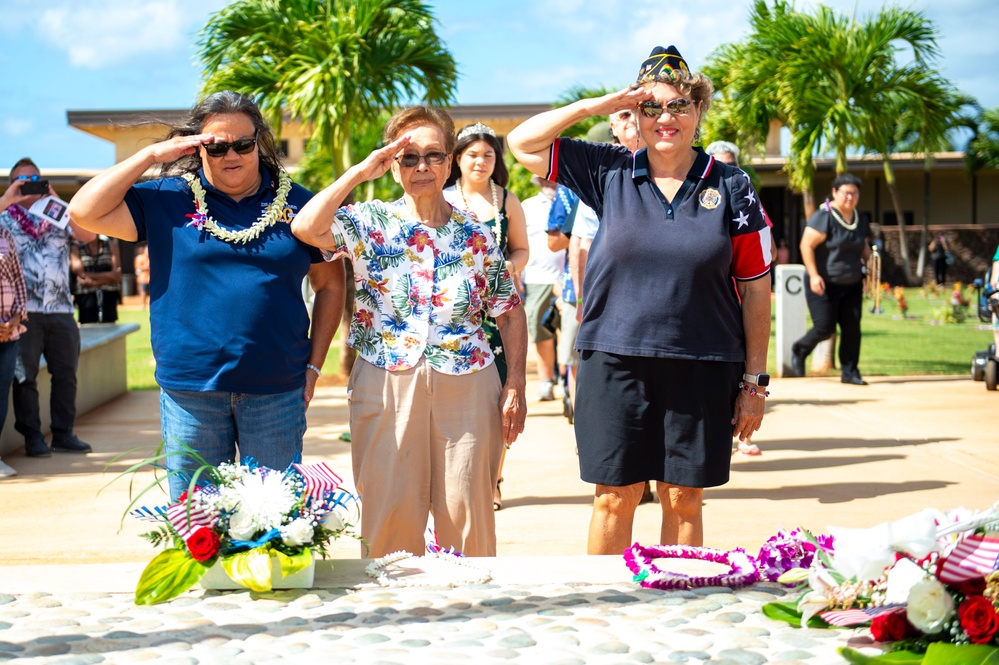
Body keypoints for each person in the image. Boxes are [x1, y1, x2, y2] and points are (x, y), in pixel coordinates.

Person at [509, 45, 772, 553]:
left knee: (682, 498)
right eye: (651, 108)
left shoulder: (732, 185)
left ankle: (678, 612)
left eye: (679, 106)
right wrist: (597, 106)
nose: (665, 118)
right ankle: (605, 612)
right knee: (614, 495)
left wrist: (754, 382)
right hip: (614, 359)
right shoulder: (608, 170)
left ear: (699, 111)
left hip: (703, 362)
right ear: (633, 115)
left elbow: (757, 287)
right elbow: (521, 142)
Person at [67, 91, 345, 499]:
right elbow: (83, 211)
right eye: (215, 146)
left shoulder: (302, 205)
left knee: (273, 525)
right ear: (198, 148)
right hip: (190, 392)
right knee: (199, 524)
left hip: (276, 390)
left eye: (243, 144)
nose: (230, 154)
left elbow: (331, 285)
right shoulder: (167, 198)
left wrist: (315, 367)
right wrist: (149, 158)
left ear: (260, 141)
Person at [290, 106, 528, 558]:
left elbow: (510, 311)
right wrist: (361, 171)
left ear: (450, 160)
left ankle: (471, 611)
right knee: (388, 513)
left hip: (470, 383)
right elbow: (306, 226)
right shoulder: (367, 222)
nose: (422, 167)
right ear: (392, 163)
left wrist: (514, 381)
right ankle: (390, 613)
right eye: (408, 157)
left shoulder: (476, 234)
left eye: (434, 155)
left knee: (468, 513)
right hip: (385, 381)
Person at [443, 122, 529, 512]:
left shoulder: (507, 201)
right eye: (472, 155)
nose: (480, 162)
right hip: (451, 314)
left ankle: (492, 479)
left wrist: (510, 267)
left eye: (488, 155)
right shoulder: (441, 198)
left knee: (498, 401)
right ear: (457, 159)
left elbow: (522, 250)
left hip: (499, 316)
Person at [0, 158, 98, 458]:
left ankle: (63, 433)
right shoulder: (4, 219)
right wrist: (7, 200)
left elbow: (88, 236)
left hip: (61, 309)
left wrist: (56, 199)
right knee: (24, 377)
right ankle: (32, 437)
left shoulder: (57, 215)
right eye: (22, 179)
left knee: (66, 374)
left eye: (34, 178)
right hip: (23, 311)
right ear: (12, 183)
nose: (29, 183)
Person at [706, 141, 763, 456]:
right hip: (712, 309)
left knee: (745, 376)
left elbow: (758, 264)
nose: (724, 170)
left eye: (730, 164)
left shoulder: (746, 200)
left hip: (738, 306)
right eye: (717, 163)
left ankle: (744, 435)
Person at [790, 173, 871, 385]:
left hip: (852, 283)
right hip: (824, 282)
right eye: (846, 193)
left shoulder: (859, 219)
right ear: (835, 192)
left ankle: (850, 371)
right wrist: (814, 275)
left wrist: (871, 266)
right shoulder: (824, 216)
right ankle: (800, 350)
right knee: (825, 327)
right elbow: (805, 245)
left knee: (852, 328)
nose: (850, 197)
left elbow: (862, 246)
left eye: (855, 193)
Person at [520, 176, 563, 404]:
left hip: (568, 280)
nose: (550, 184)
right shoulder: (527, 207)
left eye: (554, 181)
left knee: (569, 334)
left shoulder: (572, 200)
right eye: (545, 181)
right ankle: (547, 381)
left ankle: (566, 381)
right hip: (537, 279)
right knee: (539, 332)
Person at [0, 223, 28, 477]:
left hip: (8, 332)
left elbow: (17, 278)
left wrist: (16, 318)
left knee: (0, 395)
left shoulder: (3, 232)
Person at [71, 236, 122, 323]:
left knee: (109, 328)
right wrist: (109, 277)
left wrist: (92, 282)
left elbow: (117, 275)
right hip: (86, 298)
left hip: (109, 296)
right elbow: (81, 275)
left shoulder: (110, 245)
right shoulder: (76, 248)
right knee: (88, 328)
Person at [133, 243, 150, 309]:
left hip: (151, 278)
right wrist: (146, 267)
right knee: (143, 291)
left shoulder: (152, 258)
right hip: (143, 278)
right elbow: (137, 268)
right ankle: (143, 304)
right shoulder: (139, 258)